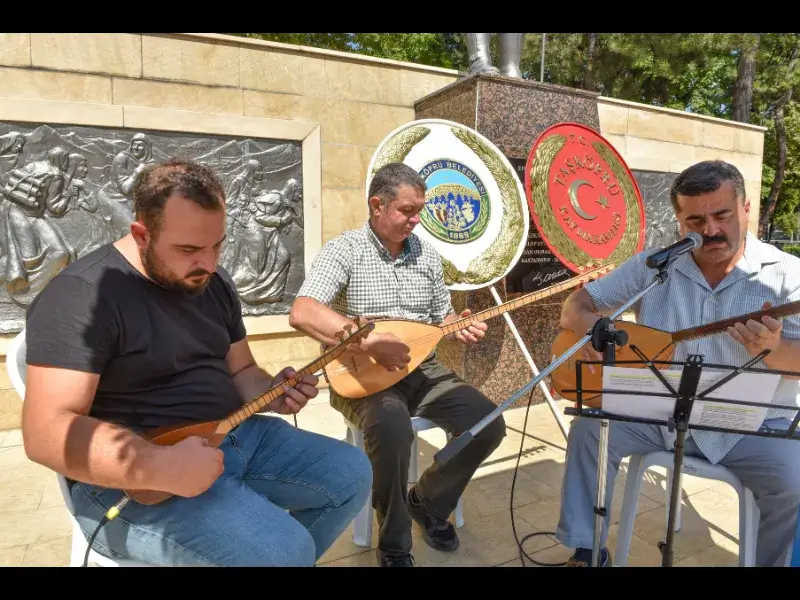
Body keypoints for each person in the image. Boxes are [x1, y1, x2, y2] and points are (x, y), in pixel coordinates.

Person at [20, 157, 373, 567]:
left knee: (352, 474)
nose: (207, 263)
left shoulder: (214, 281)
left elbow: (242, 370)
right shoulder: (82, 296)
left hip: (232, 435)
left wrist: (273, 392)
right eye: (188, 249)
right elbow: (46, 433)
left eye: (217, 244)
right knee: (284, 550)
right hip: (136, 476)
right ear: (141, 234)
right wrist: (160, 466)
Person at [554, 159, 800, 567]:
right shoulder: (655, 267)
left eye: (721, 215)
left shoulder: (788, 275)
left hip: (752, 422)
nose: (711, 231)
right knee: (589, 431)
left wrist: (774, 348)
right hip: (661, 411)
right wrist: (594, 329)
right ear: (680, 222)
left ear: (746, 208)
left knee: (793, 481)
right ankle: (586, 549)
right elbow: (576, 305)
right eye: (695, 220)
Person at [289, 162, 507, 567]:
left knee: (487, 422)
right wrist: (368, 341)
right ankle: (393, 541)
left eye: (420, 210)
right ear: (377, 205)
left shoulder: (425, 254)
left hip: (423, 371)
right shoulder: (345, 250)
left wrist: (459, 325)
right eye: (408, 210)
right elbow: (303, 311)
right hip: (363, 376)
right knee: (391, 427)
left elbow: (442, 318)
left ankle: (427, 501)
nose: (416, 220)